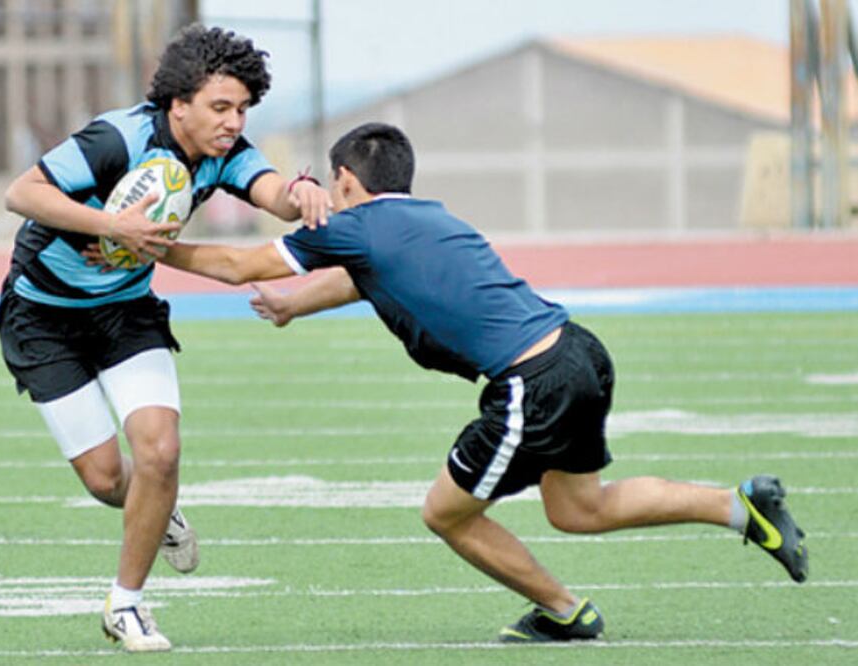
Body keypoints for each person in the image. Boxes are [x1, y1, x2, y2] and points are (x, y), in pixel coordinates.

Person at [157, 122, 809, 642]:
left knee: (444, 513)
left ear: (345, 180)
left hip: (533, 382)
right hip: (577, 352)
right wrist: (296, 304)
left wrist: (151, 244)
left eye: (331, 181)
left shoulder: (356, 224)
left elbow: (239, 264)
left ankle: (563, 611)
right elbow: (366, 276)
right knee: (578, 510)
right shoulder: (430, 218)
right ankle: (738, 507)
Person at [0, 24, 331, 652]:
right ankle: (159, 510)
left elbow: (276, 197)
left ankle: (125, 605)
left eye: (242, 109)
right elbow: (22, 193)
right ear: (179, 104)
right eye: (220, 107)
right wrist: (111, 224)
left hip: (127, 312)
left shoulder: (227, 152)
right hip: (42, 315)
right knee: (104, 480)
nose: (233, 122)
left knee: (160, 452)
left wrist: (302, 190)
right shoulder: (117, 137)